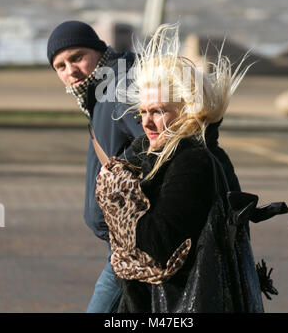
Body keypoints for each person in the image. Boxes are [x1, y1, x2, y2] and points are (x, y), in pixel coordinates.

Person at [95, 23, 265, 312]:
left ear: (187, 112)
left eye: (159, 111)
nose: (146, 122)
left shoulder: (193, 161)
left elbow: (158, 242)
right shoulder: (146, 157)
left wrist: (118, 197)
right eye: (143, 112)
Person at [47, 20, 143, 313]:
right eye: (60, 66)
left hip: (135, 243)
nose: (70, 71)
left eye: (77, 57)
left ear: (99, 50)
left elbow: (159, 146)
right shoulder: (102, 90)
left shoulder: (119, 86)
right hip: (125, 238)